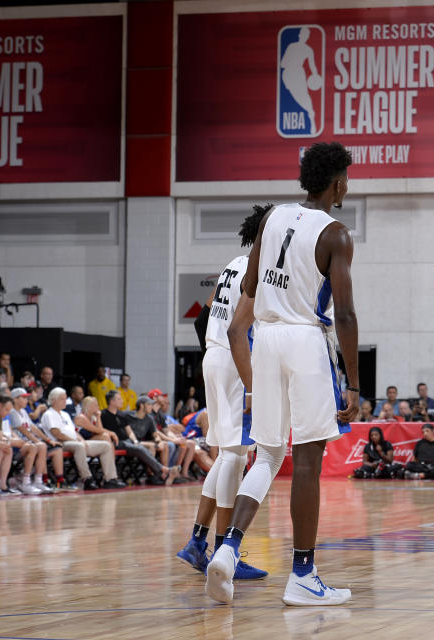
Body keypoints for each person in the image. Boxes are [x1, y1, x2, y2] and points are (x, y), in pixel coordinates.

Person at [207, 141, 359, 607]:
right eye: (347, 179)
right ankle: (304, 575)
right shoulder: (335, 234)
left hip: (266, 339)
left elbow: (250, 286)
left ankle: (228, 549)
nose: (347, 186)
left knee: (268, 456)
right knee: (308, 460)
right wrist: (353, 382)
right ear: (336, 183)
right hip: (305, 341)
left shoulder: (271, 218)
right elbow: (347, 315)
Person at [176, 205, 271, 583]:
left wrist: (215, 353)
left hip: (213, 357)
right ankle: (222, 550)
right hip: (234, 358)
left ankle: (199, 542)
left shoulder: (233, 262)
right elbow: (248, 329)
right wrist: (252, 383)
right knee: (235, 455)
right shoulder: (258, 271)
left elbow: (203, 318)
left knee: (226, 455)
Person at [42, 387, 126, 490]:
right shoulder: (49, 414)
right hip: (59, 444)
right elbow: (57, 434)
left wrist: (81, 440)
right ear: (53, 400)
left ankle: (110, 479)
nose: (65, 401)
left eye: (65, 398)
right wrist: (75, 441)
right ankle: (87, 479)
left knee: (106, 446)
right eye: (62, 399)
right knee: (79, 446)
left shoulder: (65, 414)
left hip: (75, 442)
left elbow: (74, 432)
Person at [102, 392, 174, 485]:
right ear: (112, 401)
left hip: (127, 442)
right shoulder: (103, 414)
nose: (122, 401)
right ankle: (162, 470)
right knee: (140, 448)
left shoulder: (122, 414)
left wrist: (135, 441)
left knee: (142, 447)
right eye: (119, 399)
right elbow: (100, 430)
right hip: (116, 443)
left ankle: (156, 474)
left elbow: (129, 431)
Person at [8, 388, 56, 494]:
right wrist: (36, 441)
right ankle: (25, 482)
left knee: (42, 446)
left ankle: (38, 480)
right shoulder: (12, 412)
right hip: (17, 445)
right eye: (24, 398)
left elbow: (33, 428)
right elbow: (24, 431)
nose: (27, 400)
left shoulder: (23, 411)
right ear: (15, 399)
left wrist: (46, 439)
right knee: (37, 446)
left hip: (27, 443)